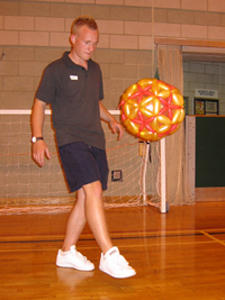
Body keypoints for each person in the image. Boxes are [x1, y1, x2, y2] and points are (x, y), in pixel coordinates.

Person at [31, 15, 136, 279]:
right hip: (71, 139)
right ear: (73, 39)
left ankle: (67, 252)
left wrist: (111, 119)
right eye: (87, 42)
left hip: (96, 140)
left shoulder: (96, 69)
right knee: (94, 190)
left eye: (95, 43)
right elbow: (39, 104)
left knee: (84, 197)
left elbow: (94, 102)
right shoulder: (55, 70)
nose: (91, 47)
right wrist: (37, 138)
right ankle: (109, 254)